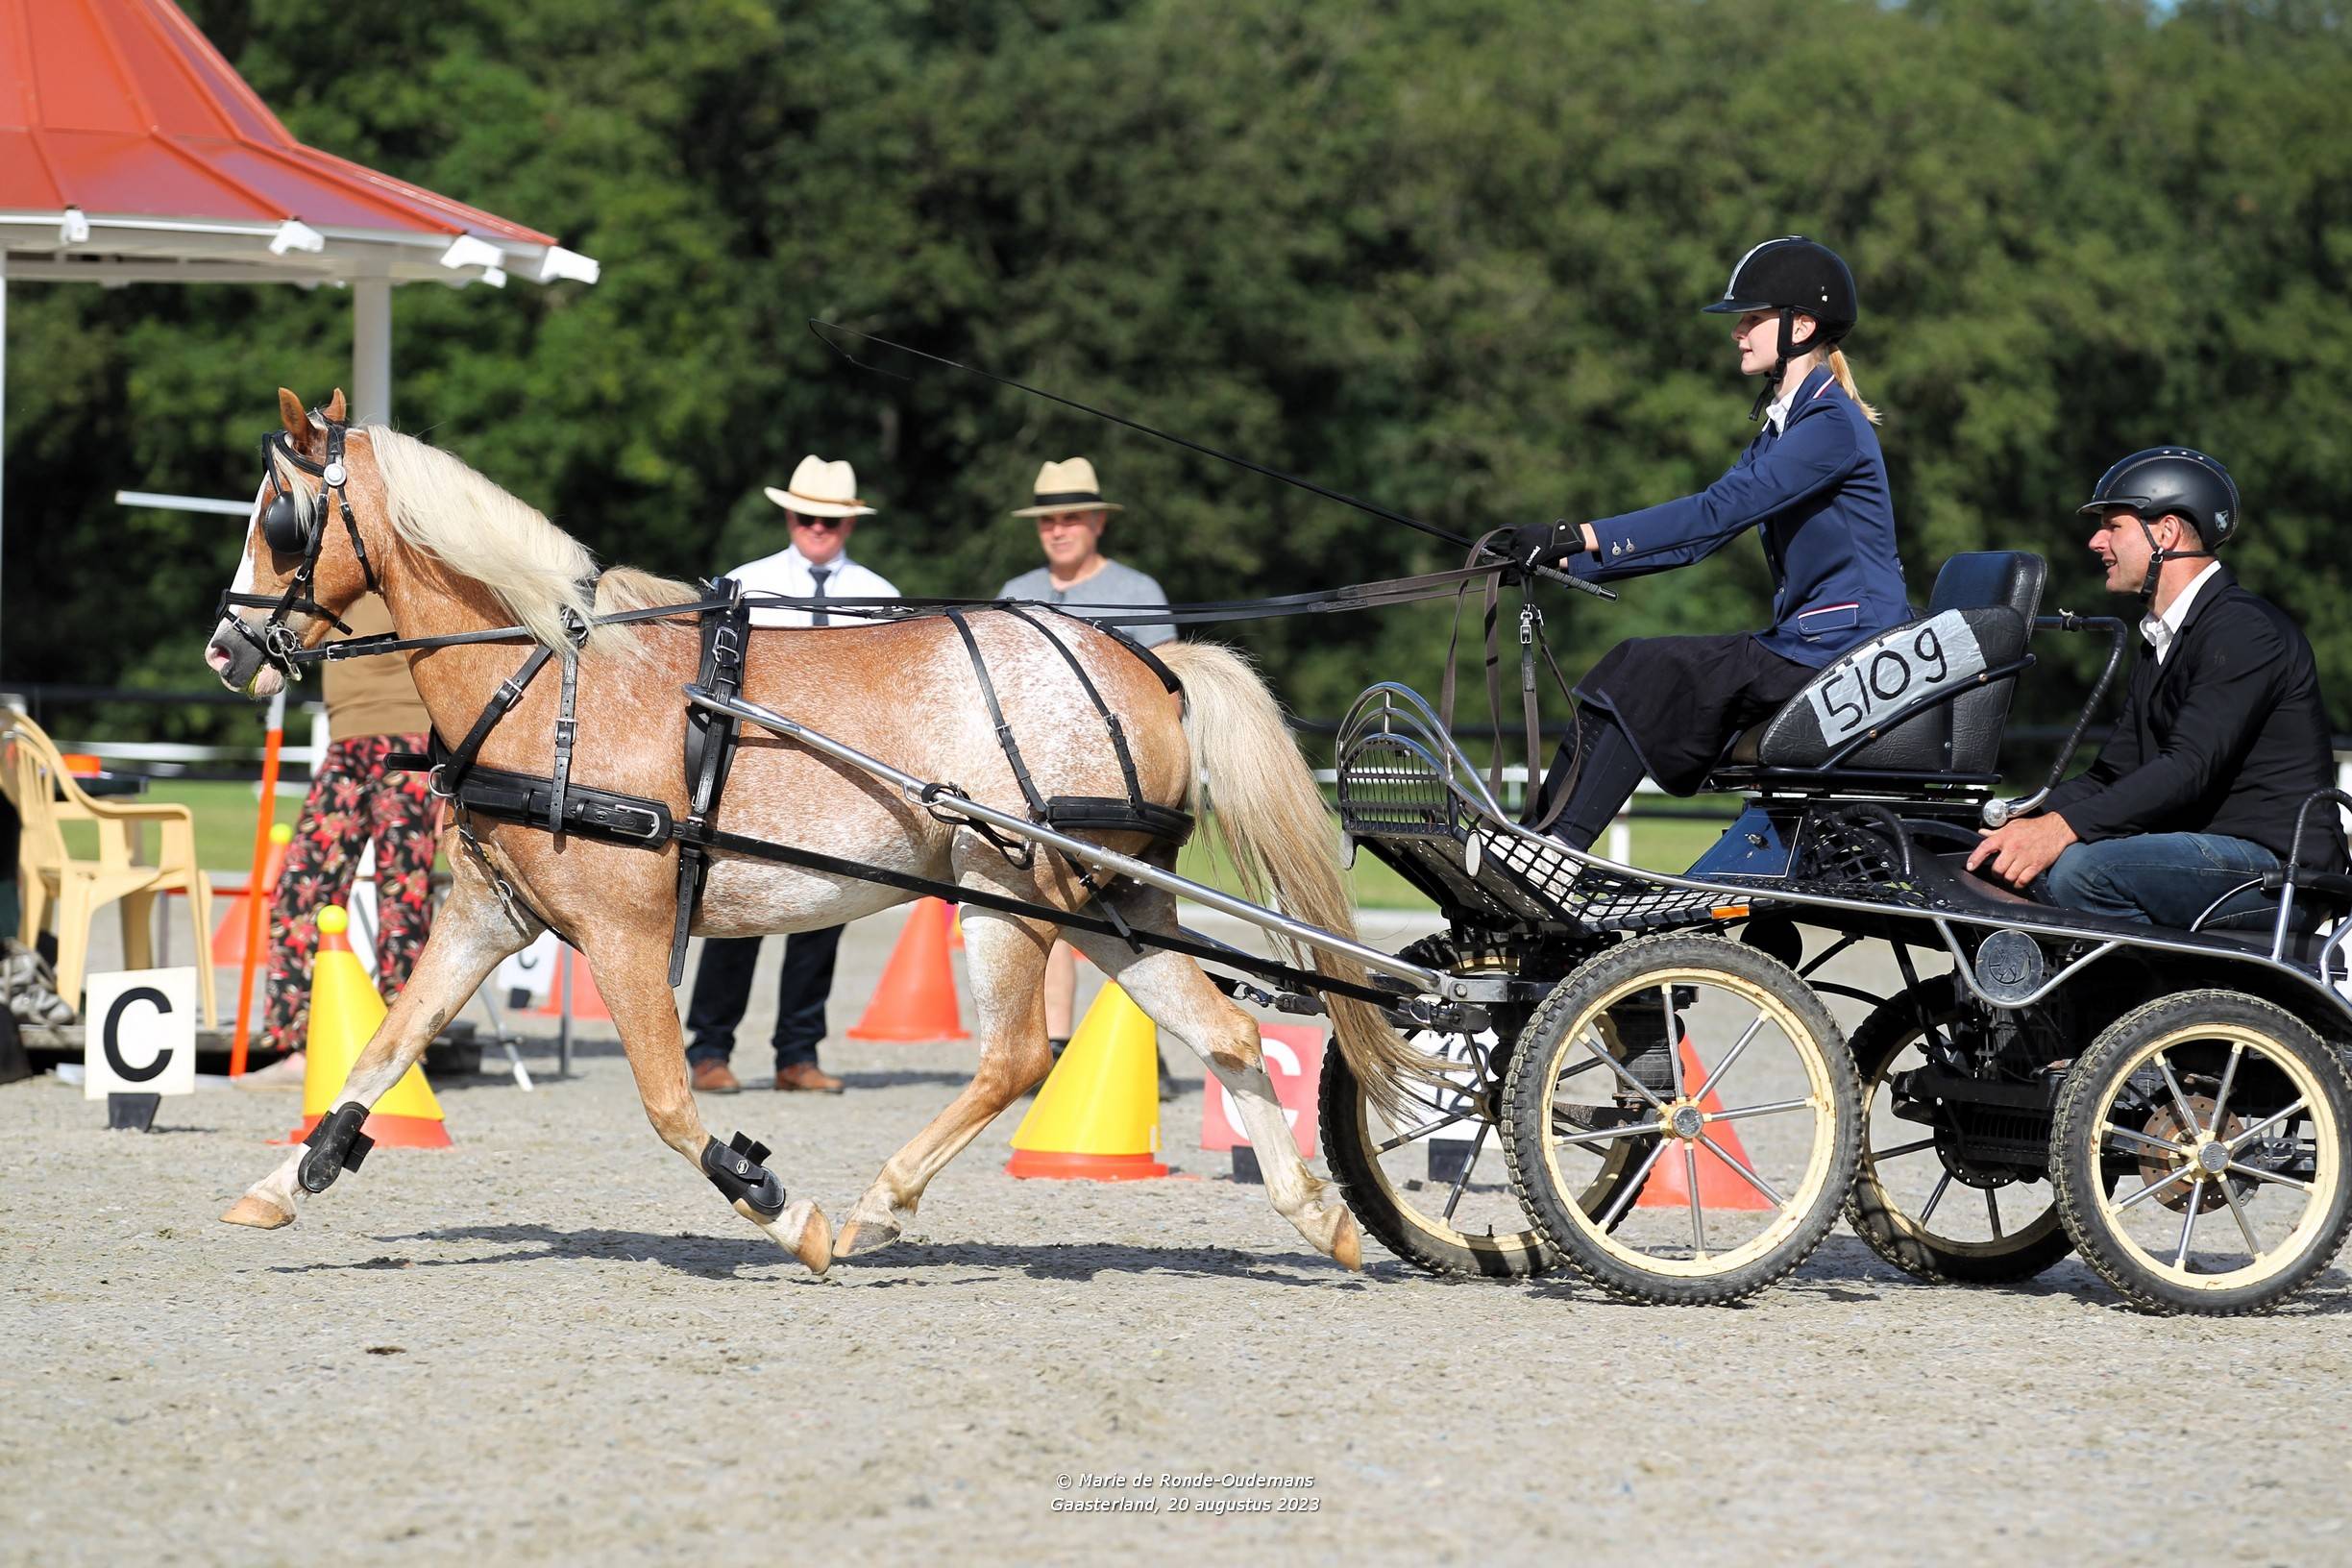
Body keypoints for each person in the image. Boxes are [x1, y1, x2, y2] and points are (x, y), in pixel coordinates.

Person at [1509, 235, 1908, 847]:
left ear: (1801, 326)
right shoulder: (1786, 428)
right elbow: (1698, 541)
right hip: (1810, 644)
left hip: (1846, 648)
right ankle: (1539, 837)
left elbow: (1713, 513)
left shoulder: (1829, 425)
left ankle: (1556, 849)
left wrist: (1575, 535)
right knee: (1631, 668)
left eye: (1752, 318)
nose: (1737, 332)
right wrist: (1564, 560)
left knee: (1644, 669)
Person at [1967, 448, 2345, 926]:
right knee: (2003, 859)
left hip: (2278, 867)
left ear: (2166, 533)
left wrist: (2060, 830)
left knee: (2085, 871)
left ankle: (2156, 980)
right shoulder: (2163, 637)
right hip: (2207, 852)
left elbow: (2188, 767)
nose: (2096, 542)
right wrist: (2014, 819)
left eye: (2113, 526)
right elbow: (2111, 775)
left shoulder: (2243, 630)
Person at [683, 455, 899, 1094]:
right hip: (758, 770)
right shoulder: (744, 584)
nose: (817, 528)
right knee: (741, 909)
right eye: (807, 517)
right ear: (789, 517)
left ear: (849, 524)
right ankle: (709, 1049)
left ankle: (798, 1054)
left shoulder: (883, 597)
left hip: (841, 775)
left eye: (829, 520)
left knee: (825, 913)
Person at [995, 458, 1176, 1087]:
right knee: (1039, 908)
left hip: (1125, 784)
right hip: (1036, 787)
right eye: (1048, 520)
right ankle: (1053, 1046)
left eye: (1071, 518)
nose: (1058, 529)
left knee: (1135, 914)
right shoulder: (1015, 593)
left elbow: (1166, 688)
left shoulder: (1138, 592)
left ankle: (1135, 1045)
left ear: (1097, 522)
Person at [251, 594, 436, 1072]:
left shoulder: (413, 571)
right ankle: (298, 1044)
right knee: (301, 885)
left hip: (409, 743)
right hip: (346, 744)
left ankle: (403, 1052)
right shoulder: (328, 581)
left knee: (403, 897)